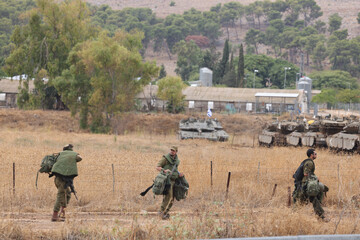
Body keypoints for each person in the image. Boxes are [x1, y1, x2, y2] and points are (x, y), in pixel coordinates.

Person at [293, 149, 329, 221]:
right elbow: (306, 173)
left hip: (306, 184)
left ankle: (321, 217)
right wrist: (315, 177)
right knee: (301, 201)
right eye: (315, 153)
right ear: (311, 155)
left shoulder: (308, 161)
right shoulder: (309, 163)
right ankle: (293, 217)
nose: (316, 155)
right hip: (305, 185)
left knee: (311, 199)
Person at [50, 144, 82, 222]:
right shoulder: (73, 154)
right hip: (62, 179)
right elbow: (80, 158)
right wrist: (76, 154)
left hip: (58, 179)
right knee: (61, 195)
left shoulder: (60, 154)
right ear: (71, 149)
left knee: (67, 194)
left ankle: (62, 212)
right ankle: (55, 215)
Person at [155, 146, 183, 220]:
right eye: (171, 150)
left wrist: (179, 173)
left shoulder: (177, 160)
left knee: (173, 197)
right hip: (167, 180)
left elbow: (175, 169)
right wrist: (164, 170)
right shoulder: (165, 158)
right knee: (168, 196)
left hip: (174, 180)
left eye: (173, 151)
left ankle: (166, 212)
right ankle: (161, 212)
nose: (172, 151)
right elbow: (158, 167)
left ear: (176, 152)